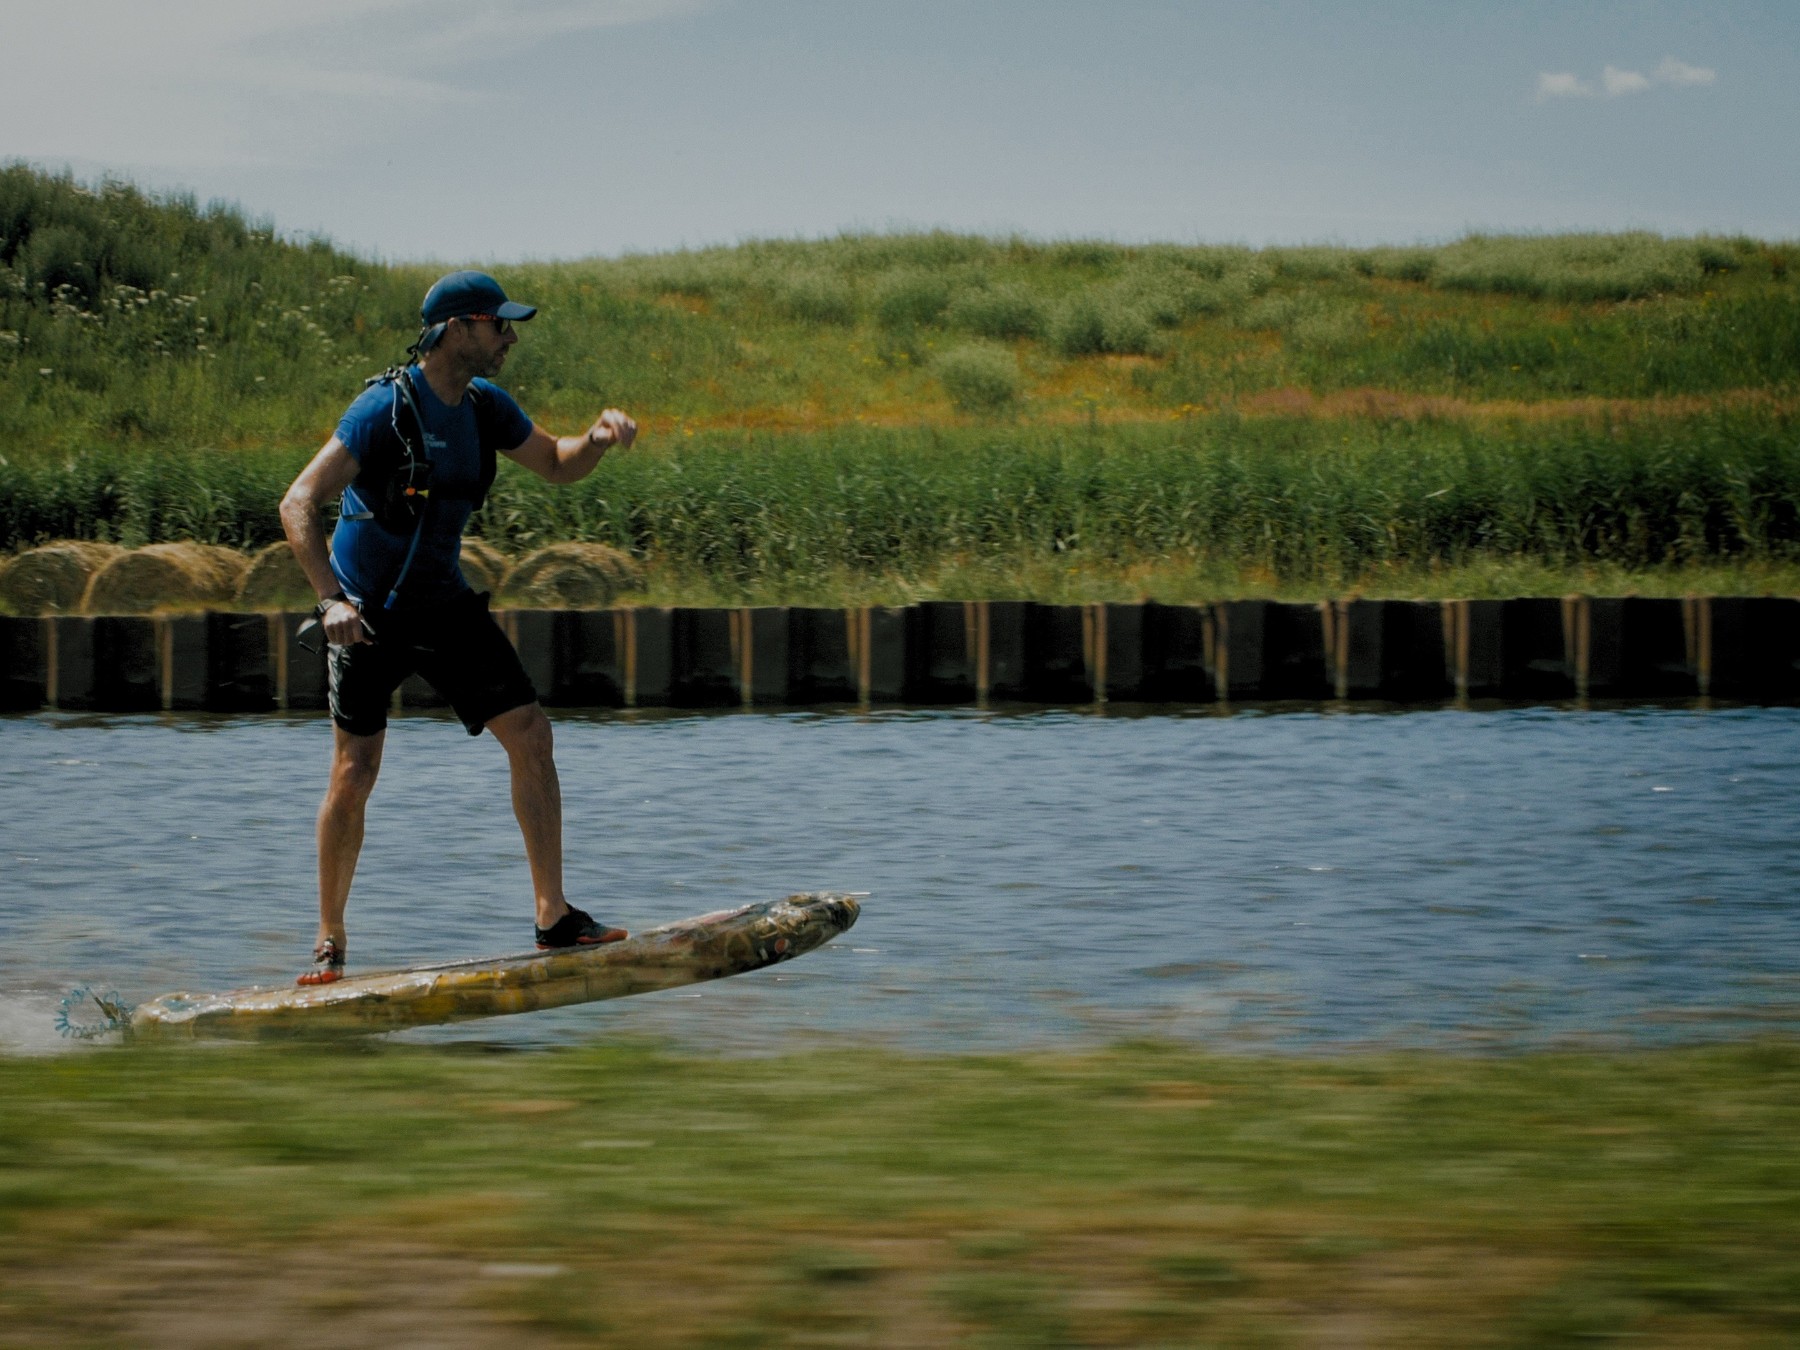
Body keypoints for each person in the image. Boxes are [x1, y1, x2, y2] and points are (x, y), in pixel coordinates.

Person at [279, 270, 637, 986]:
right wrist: (331, 601)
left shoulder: (484, 408)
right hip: (366, 616)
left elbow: (556, 462)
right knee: (355, 772)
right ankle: (329, 940)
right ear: (456, 328)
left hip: (443, 607)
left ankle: (553, 918)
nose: (509, 337)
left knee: (531, 733)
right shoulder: (382, 409)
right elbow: (298, 502)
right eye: (498, 324)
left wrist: (595, 439)